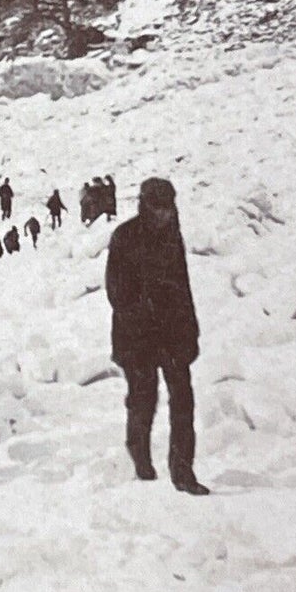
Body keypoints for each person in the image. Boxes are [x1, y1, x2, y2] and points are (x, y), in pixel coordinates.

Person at [105, 177, 207, 495]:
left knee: (183, 401)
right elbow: (117, 292)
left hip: (173, 334)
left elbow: (183, 287)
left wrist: (190, 331)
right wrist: (144, 315)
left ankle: (182, 470)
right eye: (158, 208)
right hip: (138, 337)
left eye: (168, 207)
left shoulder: (172, 238)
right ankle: (140, 455)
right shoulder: (125, 237)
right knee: (143, 399)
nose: (164, 214)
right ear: (145, 205)